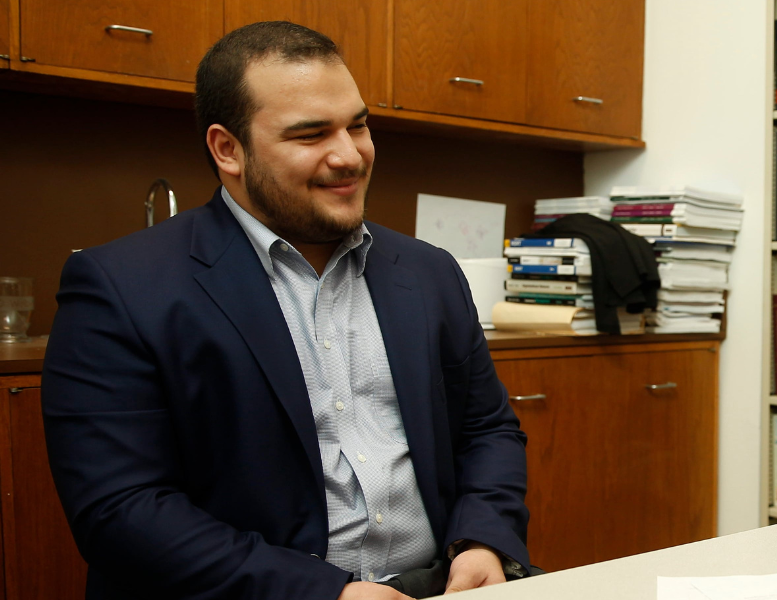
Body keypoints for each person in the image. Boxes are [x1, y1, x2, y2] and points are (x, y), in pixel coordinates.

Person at [41, 22, 530, 600]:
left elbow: (487, 430)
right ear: (228, 149)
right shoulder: (120, 288)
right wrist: (328, 593)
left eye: (358, 125)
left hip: (441, 583)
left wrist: (483, 541)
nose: (349, 155)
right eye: (311, 134)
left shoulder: (429, 271)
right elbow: (120, 510)